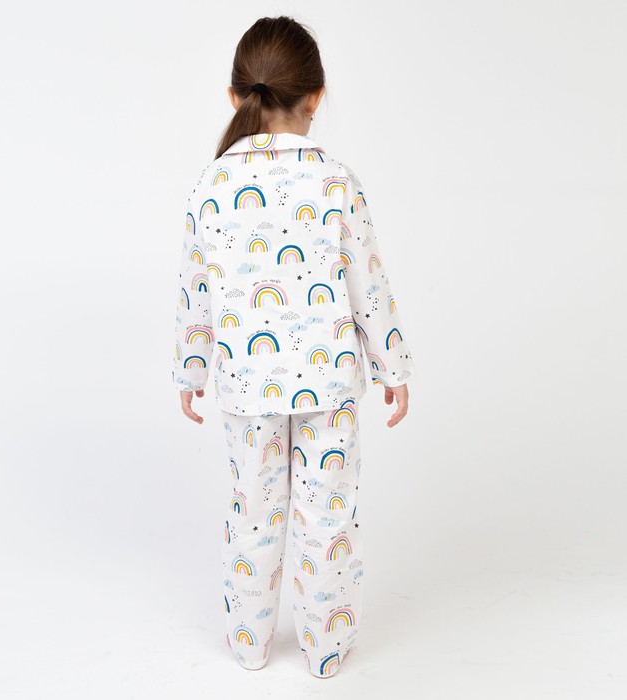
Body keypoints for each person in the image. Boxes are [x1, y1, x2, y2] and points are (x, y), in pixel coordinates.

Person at [171, 15, 416, 678]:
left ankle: (248, 645)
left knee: (251, 513)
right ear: (315, 97)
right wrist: (391, 366)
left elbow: (197, 289)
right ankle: (325, 652)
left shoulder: (210, 185)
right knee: (326, 518)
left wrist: (192, 370)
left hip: (247, 384)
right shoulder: (335, 181)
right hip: (328, 383)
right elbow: (367, 281)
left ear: (235, 96)